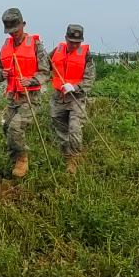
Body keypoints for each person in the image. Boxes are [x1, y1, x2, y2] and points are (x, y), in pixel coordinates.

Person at [0, 8, 49, 177]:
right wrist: (1, 74)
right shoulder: (6, 46)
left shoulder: (35, 45)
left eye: (16, 30)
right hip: (12, 97)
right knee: (6, 127)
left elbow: (45, 72)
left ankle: (22, 158)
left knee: (16, 128)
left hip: (30, 97)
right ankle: (13, 158)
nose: (14, 34)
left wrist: (32, 80)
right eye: (10, 31)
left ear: (23, 25)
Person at [49, 24, 96, 173]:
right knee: (60, 128)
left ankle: (74, 159)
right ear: (66, 38)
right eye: (71, 42)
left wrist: (75, 87)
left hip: (77, 98)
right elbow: (45, 65)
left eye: (77, 42)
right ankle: (67, 155)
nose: (74, 45)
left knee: (74, 128)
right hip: (59, 97)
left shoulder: (86, 55)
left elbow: (90, 79)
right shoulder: (57, 51)